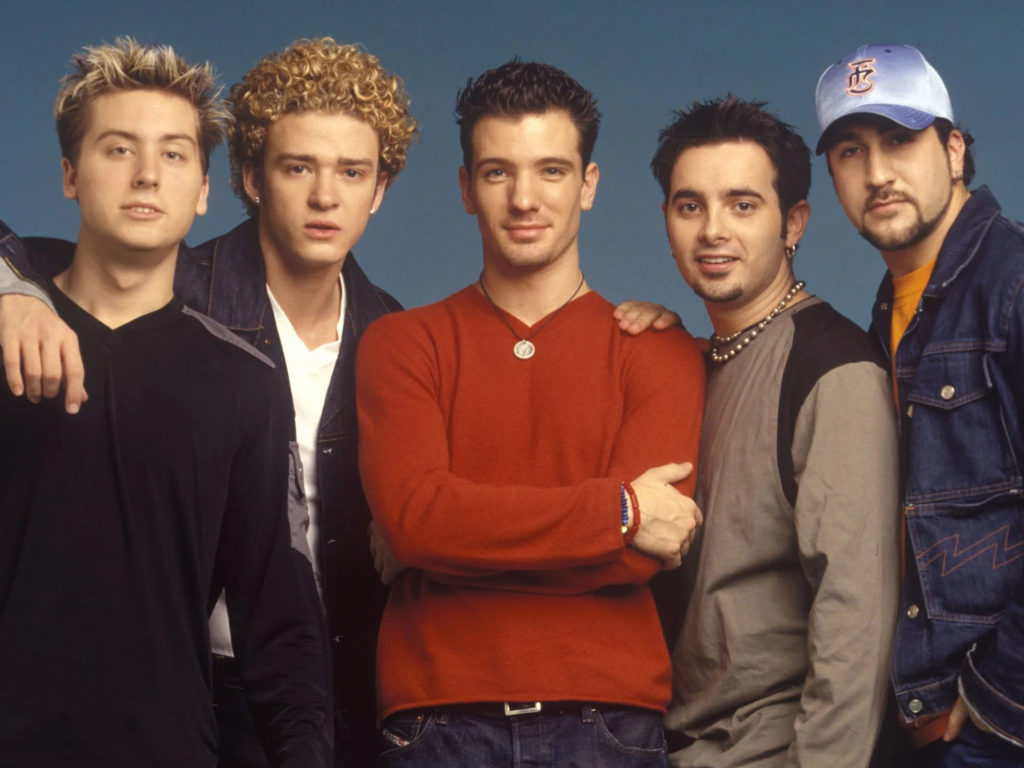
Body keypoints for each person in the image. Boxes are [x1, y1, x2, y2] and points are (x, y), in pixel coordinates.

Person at [0, 37, 416, 767]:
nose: (146, 176)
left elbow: (279, 601)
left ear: (200, 188)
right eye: (118, 150)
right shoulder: (30, 315)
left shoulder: (362, 347)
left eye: (173, 154)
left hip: (233, 711)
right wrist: (11, 289)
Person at [355, 60, 705, 767]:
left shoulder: (659, 350)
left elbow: (640, 559)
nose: (523, 199)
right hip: (436, 720)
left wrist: (457, 544)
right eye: (497, 172)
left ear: (588, 185)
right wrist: (618, 511)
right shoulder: (401, 343)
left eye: (550, 170)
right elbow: (417, 521)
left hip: (608, 720)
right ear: (465, 188)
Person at [649, 97, 899, 767]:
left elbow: (857, 620)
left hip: (772, 751)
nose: (713, 231)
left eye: (743, 205)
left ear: (793, 223)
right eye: (690, 206)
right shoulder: (693, 362)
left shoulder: (832, 370)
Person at [816, 43, 1024, 764]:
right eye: (850, 151)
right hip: (923, 722)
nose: (877, 173)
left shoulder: (1013, 284)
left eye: (900, 140)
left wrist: (999, 694)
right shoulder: (892, 312)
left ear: (954, 150)